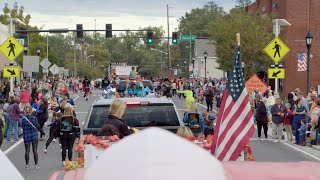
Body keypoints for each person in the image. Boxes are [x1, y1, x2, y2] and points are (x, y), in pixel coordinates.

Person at [21, 105, 41, 169]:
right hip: (34, 135)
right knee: (35, 150)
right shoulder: (34, 118)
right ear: (31, 111)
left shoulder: (23, 119)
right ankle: (36, 165)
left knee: (27, 150)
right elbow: (37, 126)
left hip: (26, 135)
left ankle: (27, 165)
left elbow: (22, 127)